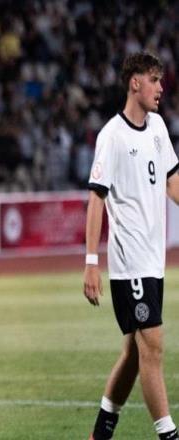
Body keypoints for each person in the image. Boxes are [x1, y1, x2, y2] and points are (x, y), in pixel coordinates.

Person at [83, 51, 179, 440]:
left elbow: (172, 182)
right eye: (154, 79)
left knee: (134, 354)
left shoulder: (157, 127)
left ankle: (101, 431)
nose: (161, 87)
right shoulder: (112, 136)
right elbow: (96, 199)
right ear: (134, 82)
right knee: (152, 346)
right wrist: (91, 262)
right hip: (130, 262)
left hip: (153, 260)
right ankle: (168, 434)